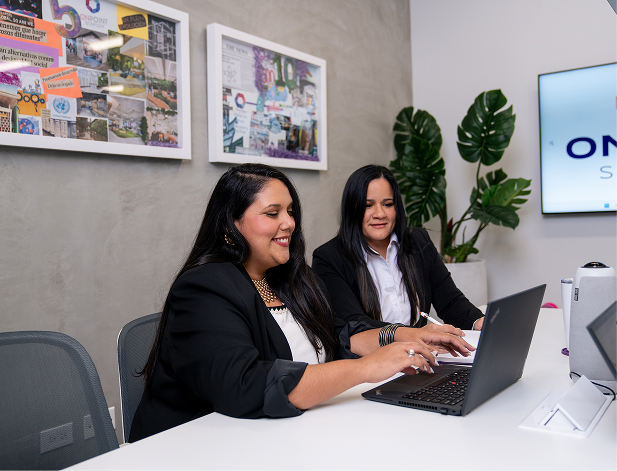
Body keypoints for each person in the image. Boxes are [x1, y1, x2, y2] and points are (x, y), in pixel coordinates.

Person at [130, 163, 473, 442]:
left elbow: (341, 335)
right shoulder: (204, 288)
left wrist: (401, 337)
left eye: (290, 211)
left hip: (285, 435)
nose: (289, 223)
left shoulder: (292, 279)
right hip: (199, 448)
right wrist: (365, 369)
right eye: (272, 212)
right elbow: (246, 384)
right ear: (231, 225)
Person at [312, 165, 485, 348]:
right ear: (352, 209)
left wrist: (479, 322)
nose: (380, 214)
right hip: (372, 365)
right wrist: (418, 335)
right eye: (368, 205)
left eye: (388, 204)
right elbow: (354, 325)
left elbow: (450, 302)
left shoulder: (419, 241)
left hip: (422, 356)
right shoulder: (328, 258)